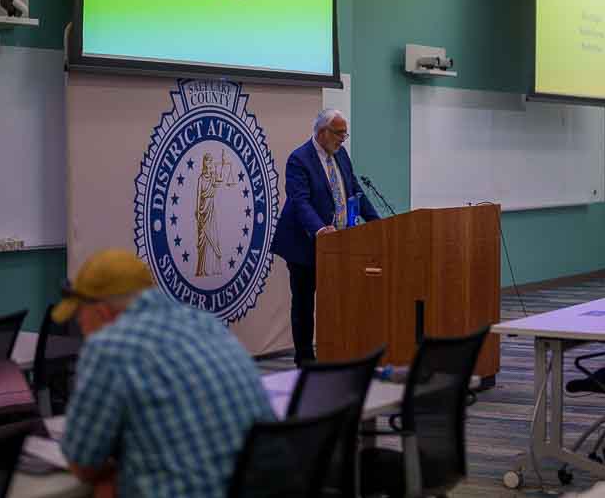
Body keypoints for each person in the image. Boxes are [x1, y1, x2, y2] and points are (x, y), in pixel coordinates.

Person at [56, 249, 274, 498]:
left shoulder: (108, 346)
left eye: (79, 317)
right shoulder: (205, 322)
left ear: (102, 312)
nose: (80, 327)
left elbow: (83, 464)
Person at [272, 108, 381, 363]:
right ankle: (305, 360)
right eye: (339, 134)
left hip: (339, 245)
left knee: (339, 301)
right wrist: (320, 229)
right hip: (305, 246)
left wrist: (376, 223)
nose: (343, 139)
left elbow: (354, 190)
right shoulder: (299, 159)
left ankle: (338, 352)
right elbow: (300, 202)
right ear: (322, 132)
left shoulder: (341, 154)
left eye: (345, 134)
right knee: (304, 305)